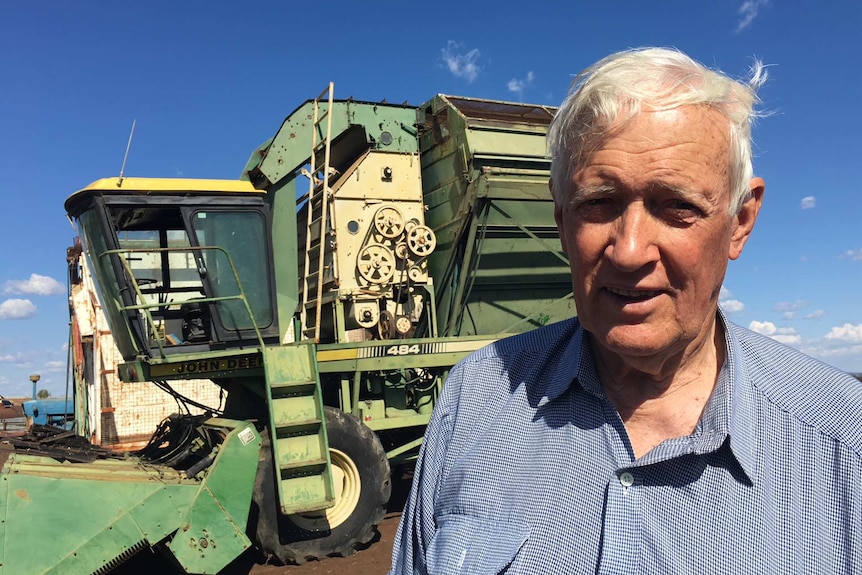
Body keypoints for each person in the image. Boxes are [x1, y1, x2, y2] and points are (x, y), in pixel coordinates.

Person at [389, 47, 862, 574]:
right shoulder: (475, 402)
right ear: (562, 218)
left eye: (676, 206)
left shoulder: (844, 439)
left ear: (741, 221)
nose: (630, 250)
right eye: (599, 203)